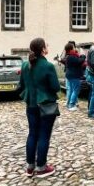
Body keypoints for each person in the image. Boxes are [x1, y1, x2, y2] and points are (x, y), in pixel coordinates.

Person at [18, 37, 61, 177]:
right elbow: (55, 87)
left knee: (32, 134)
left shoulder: (25, 65)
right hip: (46, 104)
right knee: (43, 135)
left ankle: (30, 167)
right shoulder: (48, 66)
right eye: (46, 45)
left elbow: (21, 86)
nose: (47, 47)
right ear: (43, 49)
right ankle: (41, 167)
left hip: (31, 104)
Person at [63, 42, 86, 111]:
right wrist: (83, 55)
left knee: (72, 90)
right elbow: (80, 61)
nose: (75, 49)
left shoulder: (69, 56)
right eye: (73, 48)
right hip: (74, 76)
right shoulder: (71, 57)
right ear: (70, 50)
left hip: (70, 75)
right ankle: (71, 105)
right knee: (76, 90)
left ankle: (68, 104)